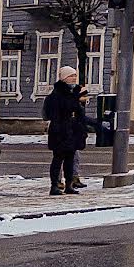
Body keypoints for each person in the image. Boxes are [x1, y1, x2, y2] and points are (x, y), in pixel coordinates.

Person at [43, 67, 91, 195]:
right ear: (64, 78)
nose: (74, 78)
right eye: (71, 76)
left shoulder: (72, 94)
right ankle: (55, 185)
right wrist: (76, 98)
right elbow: (59, 110)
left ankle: (69, 185)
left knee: (70, 159)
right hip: (60, 132)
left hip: (72, 131)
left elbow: (78, 113)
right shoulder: (57, 95)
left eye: (75, 75)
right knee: (58, 159)